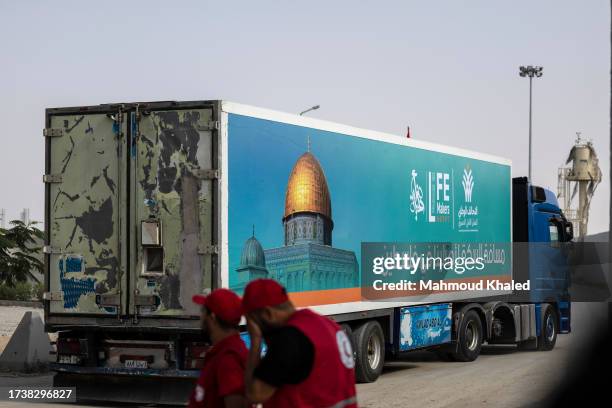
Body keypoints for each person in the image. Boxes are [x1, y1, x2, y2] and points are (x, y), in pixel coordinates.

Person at [242, 279, 357, 408]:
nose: (249, 327)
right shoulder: (328, 325)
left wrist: (255, 341)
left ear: (268, 314)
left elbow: (254, 394)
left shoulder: (289, 338)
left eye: (250, 321)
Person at [189, 288, 249, 408]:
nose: (201, 317)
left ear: (212, 318)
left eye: (203, 311)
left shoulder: (229, 359)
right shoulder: (221, 353)